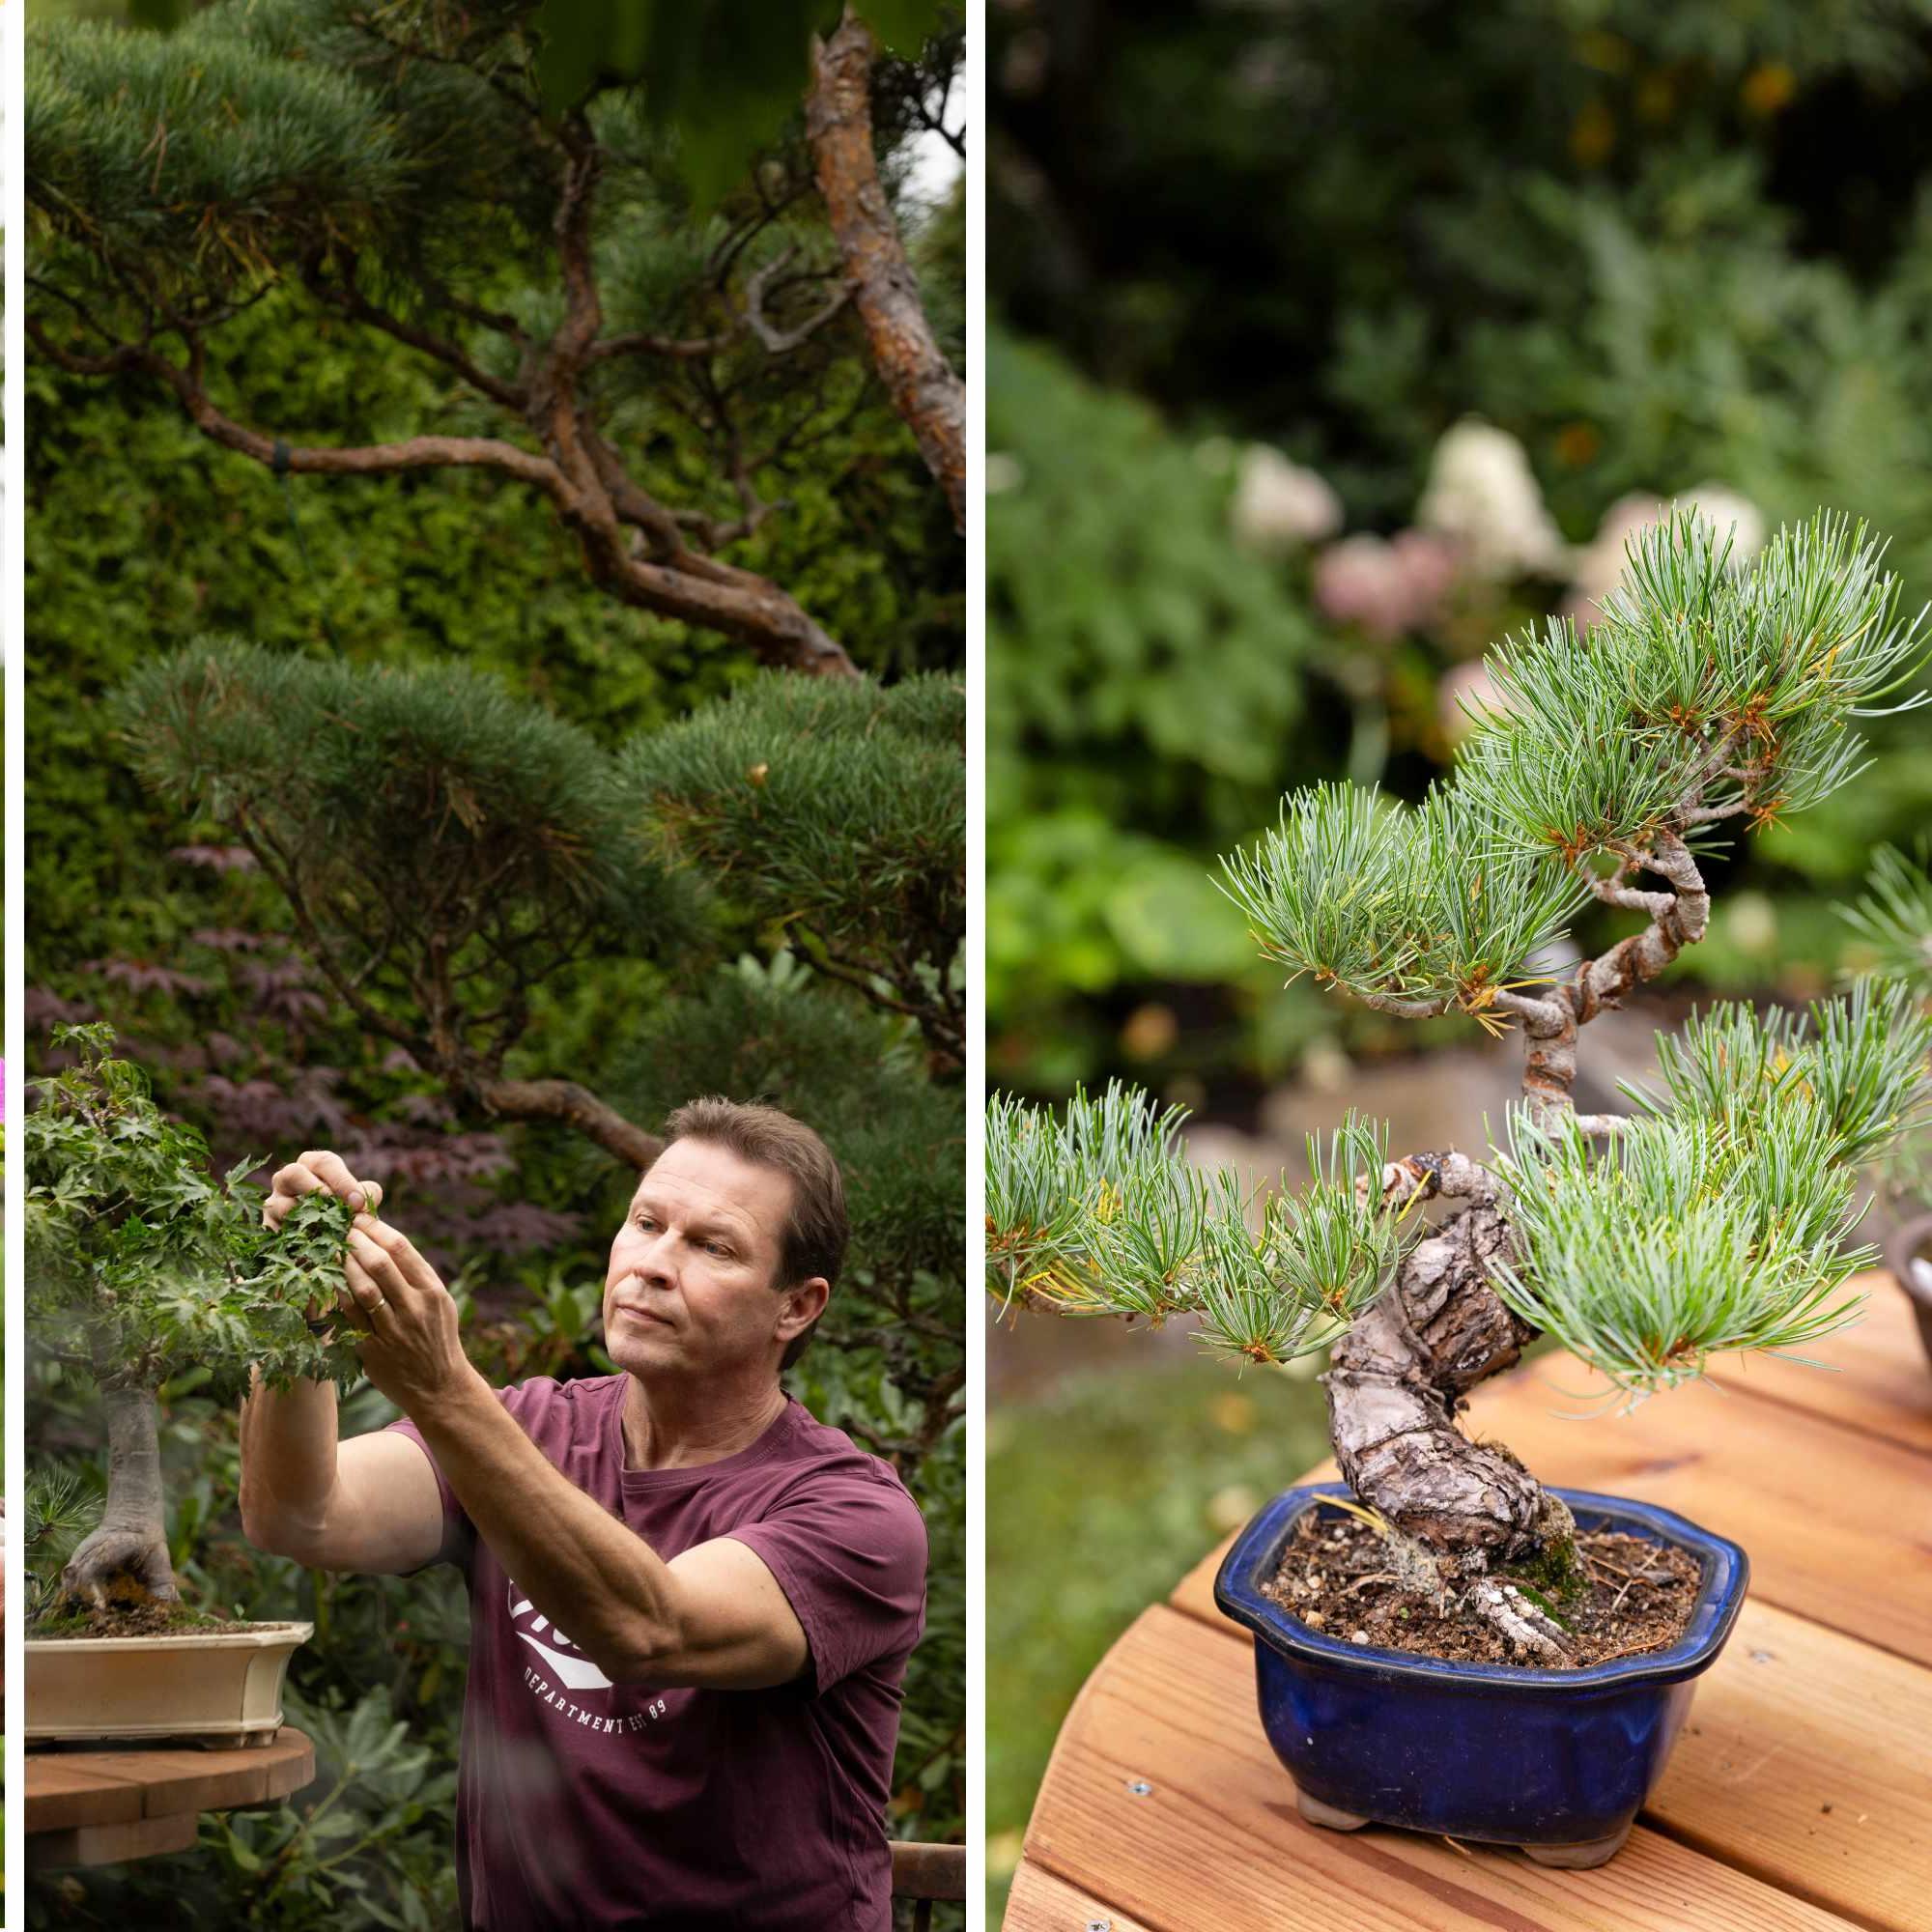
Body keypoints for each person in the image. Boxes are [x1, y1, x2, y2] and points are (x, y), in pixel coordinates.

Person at [241, 1099, 928, 1931]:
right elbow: (300, 1515)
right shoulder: (527, 1431)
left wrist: (442, 1386)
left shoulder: (854, 1514)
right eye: (646, 1224)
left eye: (713, 1247)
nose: (654, 1265)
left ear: (797, 1307)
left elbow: (648, 1630)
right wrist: (292, 1299)